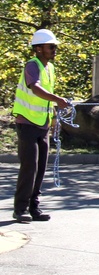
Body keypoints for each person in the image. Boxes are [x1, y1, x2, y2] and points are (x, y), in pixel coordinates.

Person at [11, 29, 70, 223]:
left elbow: (46, 99)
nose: (54, 49)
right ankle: (20, 209)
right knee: (29, 167)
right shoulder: (32, 65)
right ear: (38, 49)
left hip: (42, 124)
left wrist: (53, 118)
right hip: (27, 123)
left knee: (41, 167)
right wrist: (57, 99)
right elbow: (35, 88)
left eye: (55, 46)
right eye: (50, 46)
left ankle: (34, 207)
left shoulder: (49, 68)